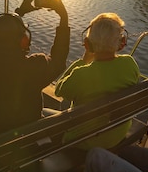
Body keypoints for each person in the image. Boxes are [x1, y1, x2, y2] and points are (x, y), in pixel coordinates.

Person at [0, 0, 70, 134]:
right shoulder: (34, 67)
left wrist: (18, 13)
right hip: (27, 135)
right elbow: (59, 61)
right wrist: (63, 16)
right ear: (24, 41)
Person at [54, 12, 140, 149]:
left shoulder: (81, 74)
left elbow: (59, 90)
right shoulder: (130, 64)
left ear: (87, 44)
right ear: (122, 42)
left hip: (83, 142)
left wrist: (83, 61)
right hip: (116, 134)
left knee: (50, 110)